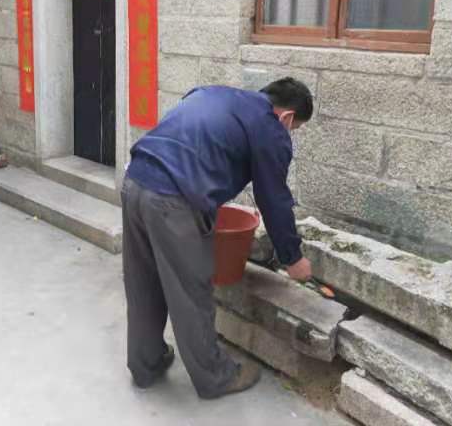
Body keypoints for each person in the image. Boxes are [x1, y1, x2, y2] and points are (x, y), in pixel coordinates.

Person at [121, 77, 314, 399]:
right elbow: (274, 198)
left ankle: (146, 365)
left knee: (143, 282)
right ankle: (216, 378)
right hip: (172, 201)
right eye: (295, 129)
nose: (290, 135)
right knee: (191, 292)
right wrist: (292, 257)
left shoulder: (213, 94)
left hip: (135, 182)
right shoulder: (270, 127)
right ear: (288, 117)